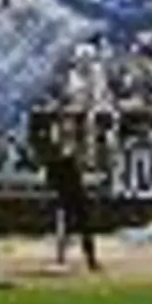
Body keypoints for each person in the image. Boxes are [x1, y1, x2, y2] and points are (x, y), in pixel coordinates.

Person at [43, 111, 101, 273]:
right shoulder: (60, 149)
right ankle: (65, 257)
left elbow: (76, 160)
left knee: (82, 224)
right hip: (66, 188)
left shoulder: (70, 147)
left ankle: (90, 258)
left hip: (74, 188)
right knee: (65, 224)